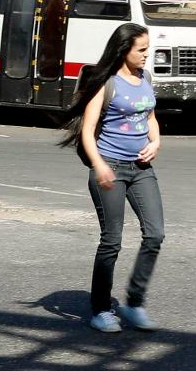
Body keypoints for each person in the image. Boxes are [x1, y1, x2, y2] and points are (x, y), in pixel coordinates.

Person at [59, 23, 164, 334]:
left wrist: (156, 142)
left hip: (142, 169)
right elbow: (88, 131)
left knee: (155, 234)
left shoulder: (145, 78)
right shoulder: (106, 83)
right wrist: (100, 165)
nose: (146, 54)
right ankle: (101, 310)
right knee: (112, 241)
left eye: (147, 49)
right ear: (124, 50)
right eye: (141, 50)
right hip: (110, 168)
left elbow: (150, 117)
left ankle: (134, 303)